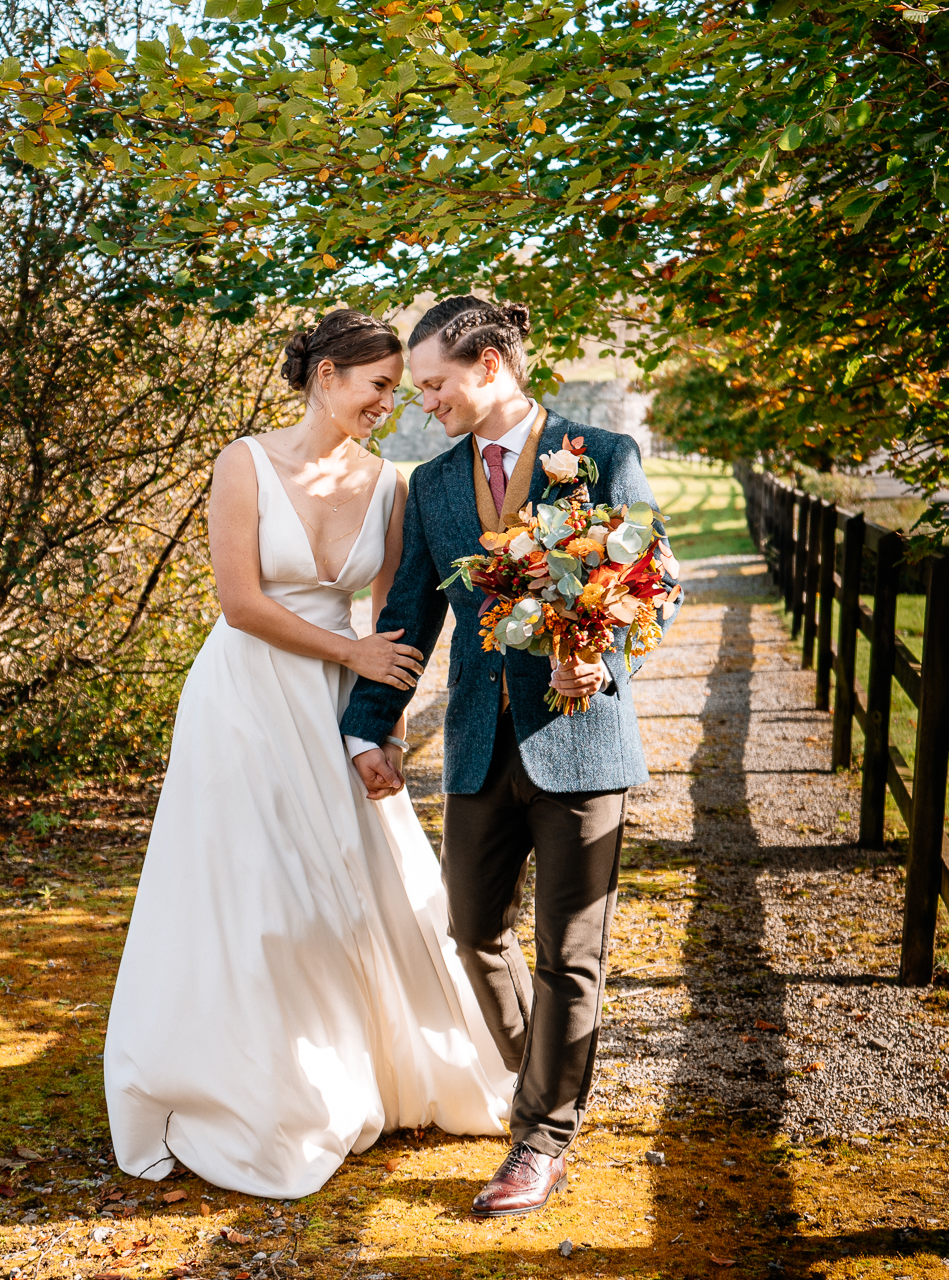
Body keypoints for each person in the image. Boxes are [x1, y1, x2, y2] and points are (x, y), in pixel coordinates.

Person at [103, 308, 514, 1200]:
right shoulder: (243, 464)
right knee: (255, 891)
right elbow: (241, 602)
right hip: (247, 697)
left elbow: (397, 615)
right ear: (326, 375)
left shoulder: (392, 484)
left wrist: (383, 726)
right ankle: (253, 1083)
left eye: (401, 393)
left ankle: (363, 1065)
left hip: (339, 703)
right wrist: (350, 653)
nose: (389, 407)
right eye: (378, 389)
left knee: (360, 890)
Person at [341, 295, 681, 1218]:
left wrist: (599, 654)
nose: (425, 405)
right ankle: (546, 1086)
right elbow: (410, 612)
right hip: (478, 748)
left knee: (572, 957)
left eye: (436, 384)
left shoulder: (601, 456)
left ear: (490, 362)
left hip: (584, 745)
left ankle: (541, 1138)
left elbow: (660, 582)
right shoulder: (436, 482)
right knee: (473, 933)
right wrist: (371, 725)